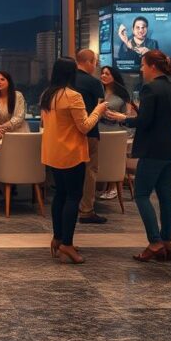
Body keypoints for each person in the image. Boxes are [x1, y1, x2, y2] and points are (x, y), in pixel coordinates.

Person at [106, 50, 171, 262]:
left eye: (142, 65)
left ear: (152, 67)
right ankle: (167, 241)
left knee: (141, 195)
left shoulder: (150, 89)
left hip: (153, 150)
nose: (140, 69)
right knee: (165, 195)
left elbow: (146, 122)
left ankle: (155, 242)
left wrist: (123, 118)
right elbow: (165, 120)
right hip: (170, 149)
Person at [40, 57, 108, 264]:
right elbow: (85, 127)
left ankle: (57, 238)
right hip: (71, 154)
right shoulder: (72, 96)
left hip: (53, 153)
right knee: (73, 197)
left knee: (59, 195)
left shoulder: (47, 96)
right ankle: (67, 245)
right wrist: (99, 110)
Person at [73, 49, 107, 224]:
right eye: (95, 62)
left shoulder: (68, 81)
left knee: (72, 171)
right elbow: (99, 109)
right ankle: (86, 209)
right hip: (89, 132)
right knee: (90, 171)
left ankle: (72, 206)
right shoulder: (94, 83)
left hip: (70, 135)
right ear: (88, 62)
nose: (95, 65)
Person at [97, 64, 133, 199]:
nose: (103, 76)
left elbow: (128, 115)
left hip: (115, 129)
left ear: (114, 77)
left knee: (112, 158)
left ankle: (113, 187)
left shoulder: (122, 93)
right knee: (100, 158)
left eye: (107, 74)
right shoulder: (98, 90)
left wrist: (117, 116)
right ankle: (102, 186)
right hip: (99, 127)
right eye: (102, 73)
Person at [0, 70, 30, 138]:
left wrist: (4, 126)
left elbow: (19, 116)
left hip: (18, 133)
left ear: (9, 82)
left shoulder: (18, 96)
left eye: (2, 79)